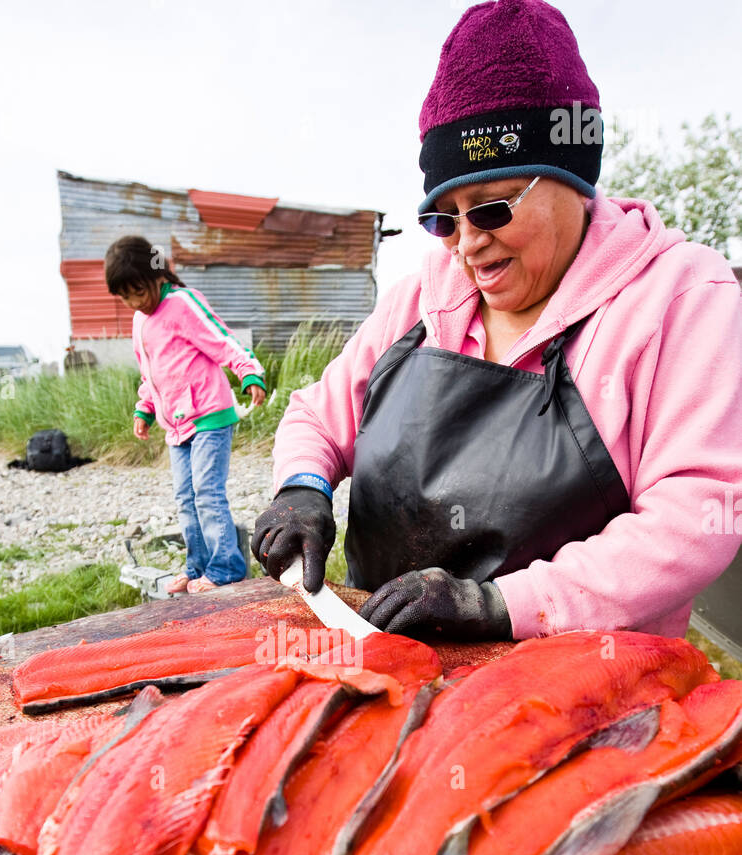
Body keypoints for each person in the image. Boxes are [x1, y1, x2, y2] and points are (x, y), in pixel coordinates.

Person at [252, 0, 742, 642]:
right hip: (383, 660)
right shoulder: (419, 298)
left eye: (490, 208)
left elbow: (696, 514)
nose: (466, 245)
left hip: (581, 679)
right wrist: (302, 486)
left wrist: (496, 606)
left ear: (572, 179)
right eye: (442, 218)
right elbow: (317, 415)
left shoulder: (681, 297)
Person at [105, 236, 266, 593]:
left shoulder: (181, 303)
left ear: (156, 275)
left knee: (207, 493)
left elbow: (222, 339)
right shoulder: (140, 321)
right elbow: (150, 374)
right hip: (176, 427)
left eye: (138, 292)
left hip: (209, 415)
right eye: (125, 298)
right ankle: (197, 568)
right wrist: (145, 408)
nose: (135, 303)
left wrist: (248, 371)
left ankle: (226, 568)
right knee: (185, 499)